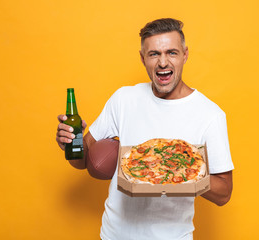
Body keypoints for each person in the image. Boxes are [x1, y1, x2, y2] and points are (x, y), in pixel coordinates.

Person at [56, 18, 234, 240]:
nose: (163, 63)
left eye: (172, 52)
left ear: (185, 54)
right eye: (154, 54)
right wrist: (73, 142)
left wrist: (180, 169)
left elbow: (224, 193)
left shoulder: (210, 114)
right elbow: (82, 162)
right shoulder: (124, 99)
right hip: (113, 235)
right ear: (143, 58)